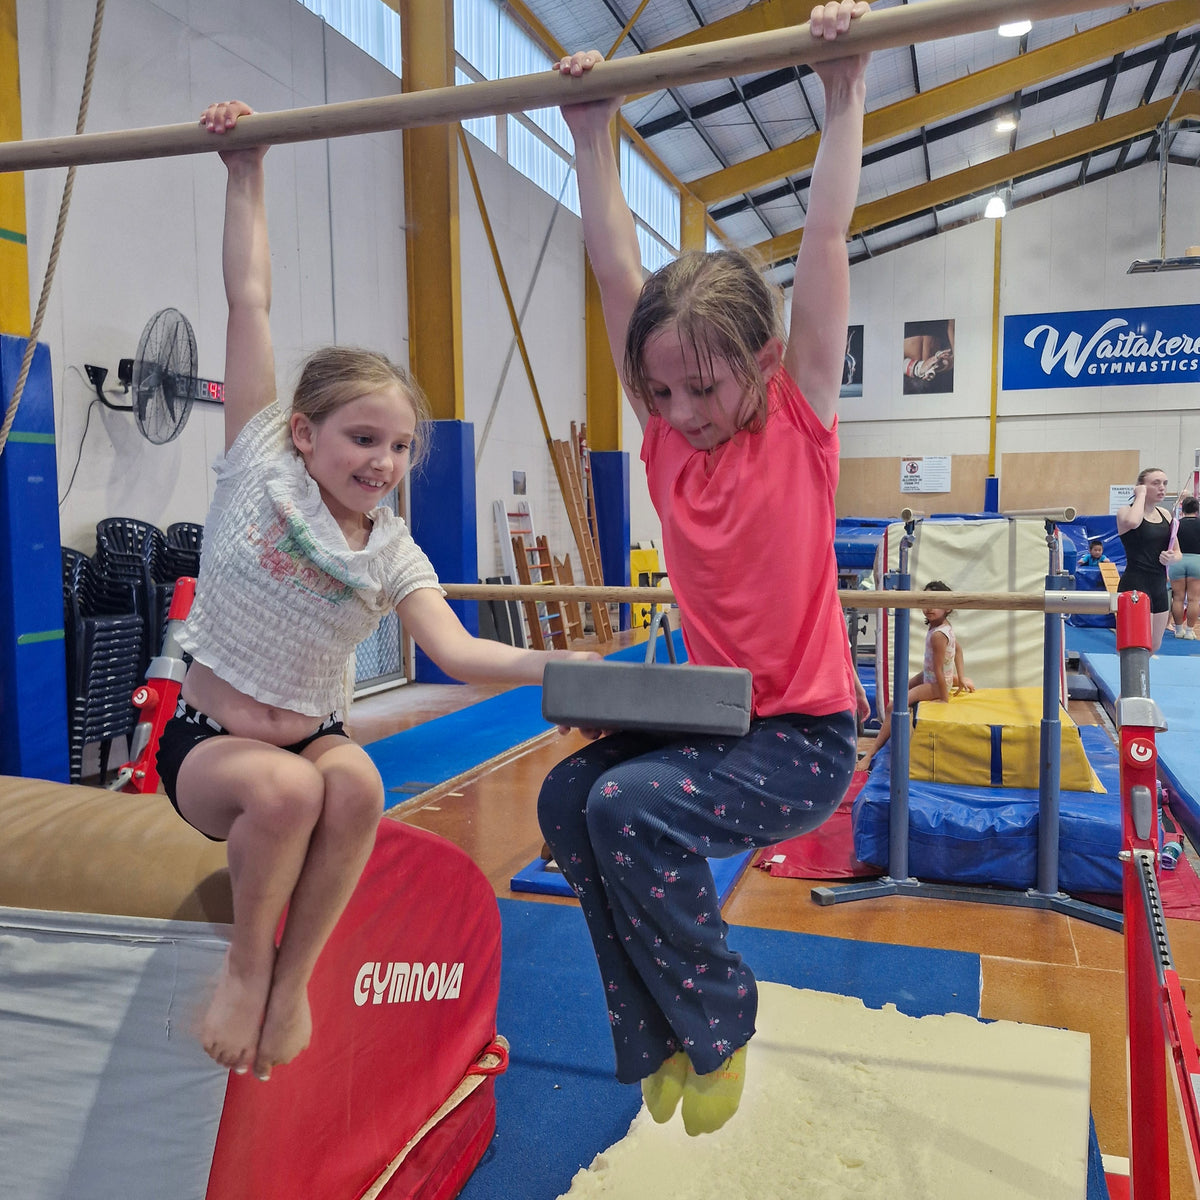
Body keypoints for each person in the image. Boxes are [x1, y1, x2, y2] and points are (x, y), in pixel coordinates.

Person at [162, 101, 594, 1083]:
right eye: (363, 438)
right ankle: (244, 971)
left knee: (352, 782)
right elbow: (249, 303)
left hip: (314, 729)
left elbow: (463, 652)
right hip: (209, 744)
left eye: (399, 447)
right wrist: (246, 167)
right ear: (306, 432)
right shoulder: (258, 466)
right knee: (281, 791)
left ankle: (294, 979)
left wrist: (564, 668)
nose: (383, 461)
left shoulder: (393, 552)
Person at [536, 1, 870, 1138]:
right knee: (566, 797)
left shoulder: (796, 424)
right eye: (660, 392)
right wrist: (591, 132)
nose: (679, 410)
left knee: (629, 805)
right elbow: (616, 268)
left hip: (802, 735)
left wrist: (847, 91)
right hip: (710, 715)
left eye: (704, 389)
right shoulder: (669, 433)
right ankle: (655, 1035)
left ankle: (718, 1021)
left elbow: (823, 247)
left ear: (765, 365)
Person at [865, 580, 974, 765]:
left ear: (948, 607)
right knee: (900, 692)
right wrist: (961, 677)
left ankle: (870, 754)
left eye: (935, 603)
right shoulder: (940, 626)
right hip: (929, 675)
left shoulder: (939, 635)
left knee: (894, 706)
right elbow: (958, 650)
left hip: (933, 682)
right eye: (925, 602)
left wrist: (943, 697)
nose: (929, 608)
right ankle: (958, 681)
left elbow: (939, 669)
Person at [1116, 467, 1180, 652]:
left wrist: (1171, 558)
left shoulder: (1165, 515)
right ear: (1141, 487)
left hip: (1159, 586)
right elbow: (1133, 523)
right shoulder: (1125, 512)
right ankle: (1128, 680)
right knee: (1135, 646)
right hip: (1135, 584)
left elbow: (1177, 552)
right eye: (1155, 483)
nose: (1162, 488)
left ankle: (1140, 680)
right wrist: (1141, 494)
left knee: (1154, 646)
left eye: (1165, 483)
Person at [1168, 495, 1200, 639]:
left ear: (1182, 510)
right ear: (1197, 510)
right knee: (1194, 599)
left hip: (1177, 561)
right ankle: (1189, 631)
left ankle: (1179, 629)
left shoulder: (1175, 524)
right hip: (1196, 561)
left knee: (1178, 598)